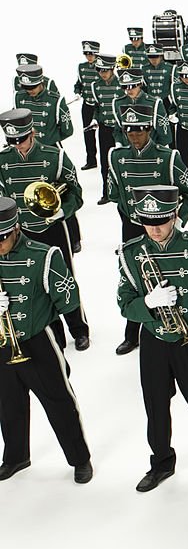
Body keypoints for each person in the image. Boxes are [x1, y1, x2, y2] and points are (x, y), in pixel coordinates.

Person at [116, 184, 188, 494]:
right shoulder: (132, 252)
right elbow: (124, 302)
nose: (154, 229)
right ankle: (161, 463)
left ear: (175, 215)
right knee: (155, 405)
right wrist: (149, 304)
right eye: (147, 222)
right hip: (154, 340)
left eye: (161, 221)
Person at [0, 196, 92, 484]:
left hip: (38, 340)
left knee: (59, 401)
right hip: (3, 343)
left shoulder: (44, 255)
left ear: (15, 229)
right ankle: (16, 457)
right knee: (8, 404)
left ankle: (79, 459)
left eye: (1, 238)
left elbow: (68, 299)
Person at [107, 104, 188, 355]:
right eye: (129, 131)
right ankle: (133, 333)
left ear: (149, 129)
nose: (134, 136)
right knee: (134, 279)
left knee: (171, 277)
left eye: (139, 130)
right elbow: (115, 194)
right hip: (133, 227)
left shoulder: (169, 157)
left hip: (164, 228)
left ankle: (186, 327)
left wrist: (177, 222)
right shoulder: (116, 157)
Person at [0, 108, 90, 351]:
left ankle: (79, 329)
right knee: (35, 285)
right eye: (12, 141)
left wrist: (62, 211)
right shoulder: (2, 161)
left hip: (52, 228)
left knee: (64, 280)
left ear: (32, 132)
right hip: (21, 233)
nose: (18, 146)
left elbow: (76, 193)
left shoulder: (55, 156)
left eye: (22, 139)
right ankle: (54, 332)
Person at [87, 54, 121, 205]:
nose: (103, 73)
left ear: (112, 69)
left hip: (121, 129)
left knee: (122, 159)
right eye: (100, 70)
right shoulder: (95, 86)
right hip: (105, 129)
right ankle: (107, 192)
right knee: (105, 161)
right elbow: (97, 107)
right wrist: (95, 119)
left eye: (105, 70)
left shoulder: (122, 83)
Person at [74, 41, 101, 169]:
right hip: (87, 105)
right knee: (88, 133)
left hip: (100, 106)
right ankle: (91, 160)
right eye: (86, 54)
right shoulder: (81, 67)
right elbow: (78, 83)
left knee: (105, 134)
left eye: (91, 54)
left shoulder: (102, 66)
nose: (89, 57)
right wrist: (77, 92)